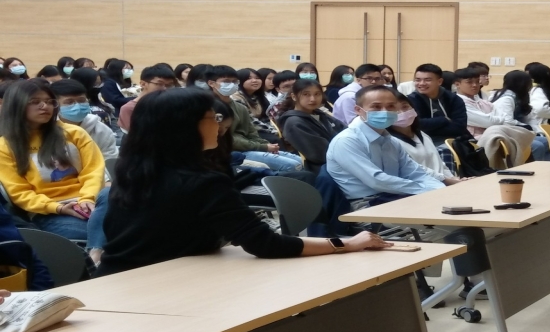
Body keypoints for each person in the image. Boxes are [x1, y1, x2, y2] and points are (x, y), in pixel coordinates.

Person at [97, 88, 389, 277]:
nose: (220, 126)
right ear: (186, 127)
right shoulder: (203, 182)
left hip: (117, 277)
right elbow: (265, 243)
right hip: (160, 285)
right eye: (213, 118)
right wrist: (346, 243)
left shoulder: (132, 172)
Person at [0, 81, 109, 264]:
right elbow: (19, 193)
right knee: (106, 230)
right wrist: (57, 208)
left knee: (110, 194)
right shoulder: (5, 146)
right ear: (17, 105)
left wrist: (87, 199)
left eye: (49, 101)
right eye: (35, 102)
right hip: (50, 212)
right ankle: (97, 254)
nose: (45, 106)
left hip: (91, 203)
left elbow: (93, 171)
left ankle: (95, 253)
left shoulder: (75, 133)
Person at [327, 85, 445, 205]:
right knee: (438, 212)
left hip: (398, 196)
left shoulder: (391, 141)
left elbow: (415, 173)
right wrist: (426, 190)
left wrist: (440, 189)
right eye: (376, 107)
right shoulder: (347, 141)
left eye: (390, 106)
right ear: (358, 110)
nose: (385, 111)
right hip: (367, 204)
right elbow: (377, 181)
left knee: (447, 205)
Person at [207, 65, 302, 172]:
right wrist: (263, 147)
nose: (231, 84)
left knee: (300, 161)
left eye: (234, 81)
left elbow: (251, 132)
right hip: (231, 151)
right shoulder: (210, 108)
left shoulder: (240, 107)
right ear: (211, 83)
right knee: (291, 165)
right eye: (226, 81)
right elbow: (228, 139)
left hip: (249, 147)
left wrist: (266, 144)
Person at [387, 93, 463, 185]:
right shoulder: (390, 142)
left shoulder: (422, 134)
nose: (402, 113)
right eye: (394, 110)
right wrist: (448, 181)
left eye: (405, 107)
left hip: (444, 183)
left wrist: (453, 178)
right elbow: (414, 169)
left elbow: (440, 164)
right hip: (424, 187)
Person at [278, 79, 346, 174]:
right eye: (306, 94)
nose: (313, 99)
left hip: (342, 158)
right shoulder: (294, 123)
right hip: (325, 168)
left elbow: (345, 131)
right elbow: (321, 154)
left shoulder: (319, 114)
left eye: (317, 94)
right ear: (294, 96)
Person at [489, 71, 550, 160]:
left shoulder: (518, 97)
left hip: (516, 131)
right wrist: (526, 127)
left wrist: (536, 131)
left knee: (547, 141)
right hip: (505, 133)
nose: (531, 86)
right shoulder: (506, 99)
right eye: (529, 82)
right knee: (538, 146)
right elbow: (507, 122)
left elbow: (528, 119)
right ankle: (533, 167)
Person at [50, 80, 119, 160]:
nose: (77, 106)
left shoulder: (100, 130)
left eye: (81, 101)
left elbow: (109, 159)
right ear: (55, 104)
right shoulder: (48, 129)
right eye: (69, 102)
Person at [408, 63, 472, 146]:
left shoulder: (453, 99)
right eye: (418, 80)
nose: (422, 83)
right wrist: (444, 120)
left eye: (427, 80)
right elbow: (417, 125)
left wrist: (430, 126)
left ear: (439, 81)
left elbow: (459, 127)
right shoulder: (410, 100)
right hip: (424, 143)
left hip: (455, 141)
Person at [455, 67, 520, 138]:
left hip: (494, 136)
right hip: (472, 140)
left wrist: (491, 118)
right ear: (457, 84)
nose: (475, 85)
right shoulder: (458, 103)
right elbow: (489, 121)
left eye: (477, 81)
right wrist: (493, 118)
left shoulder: (482, 101)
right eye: (469, 82)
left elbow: (505, 119)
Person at [117, 65, 177, 134]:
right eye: (159, 84)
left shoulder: (171, 104)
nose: (165, 88)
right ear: (143, 84)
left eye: (169, 85)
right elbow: (134, 135)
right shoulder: (129, 108)